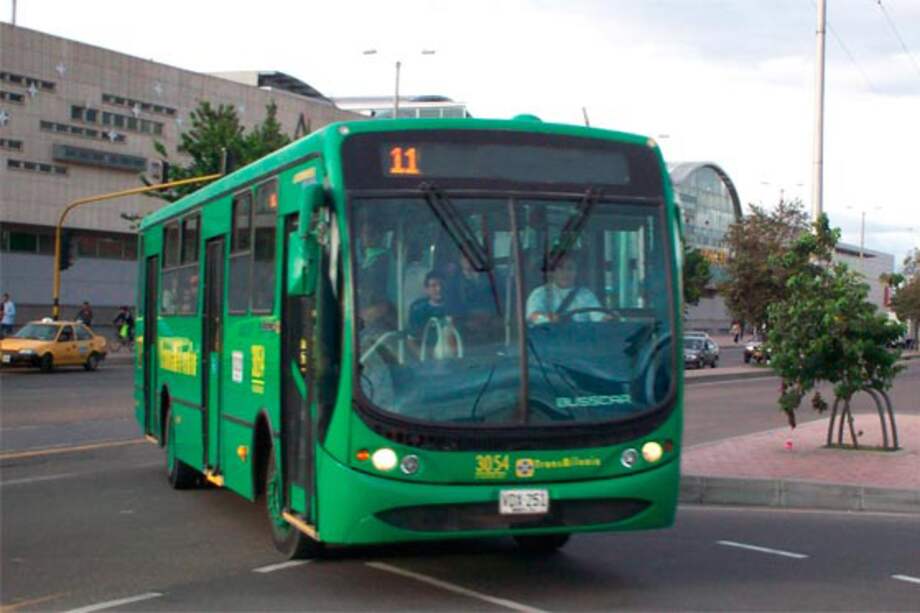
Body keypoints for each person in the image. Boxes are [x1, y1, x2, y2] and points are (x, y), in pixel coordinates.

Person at [525, 253, 605, 324]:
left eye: (570, 268)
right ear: (553, 272)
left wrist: (609, 319)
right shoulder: (540, 293)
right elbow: (533, 316)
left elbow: (599, 317)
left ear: (576, 272)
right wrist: (548, 319)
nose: (565, 273)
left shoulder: (586, 295)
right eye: (560, 268)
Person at [409, 272, 450, 337]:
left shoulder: (454, 307)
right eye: (433, 285)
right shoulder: (418, 309)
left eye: (442, 285)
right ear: (426, 289)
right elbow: (412, 340)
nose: (439, 289)